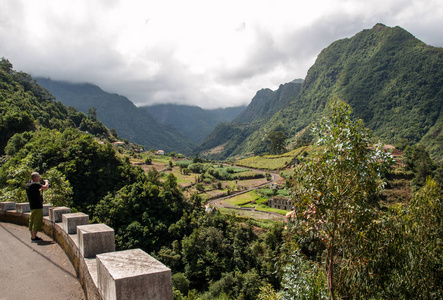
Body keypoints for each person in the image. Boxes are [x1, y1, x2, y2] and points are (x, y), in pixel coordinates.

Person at [26, 172, 49, 242]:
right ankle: (34, 238)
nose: (39, 178)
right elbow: (45, 187)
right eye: (38, 176)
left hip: (32, 206)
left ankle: (33, 236)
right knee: (36, 221)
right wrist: (46, 182)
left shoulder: (29, 185)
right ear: (35, 177)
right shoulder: (35, 184)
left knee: (32, 221)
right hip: (37, 206)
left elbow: (35, 191)